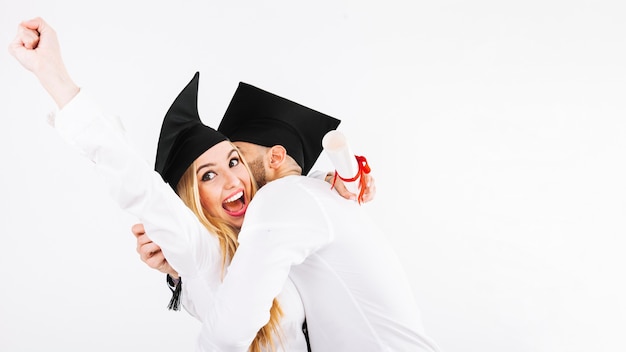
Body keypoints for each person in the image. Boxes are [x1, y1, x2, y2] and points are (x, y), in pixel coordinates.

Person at [8, 17, 366, 352]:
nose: (231, 180)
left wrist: (328, 182)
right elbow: (137, 181)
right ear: (189, 200)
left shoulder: (264, 243)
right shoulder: (200, 249)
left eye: (234, 161)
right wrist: (53, 75)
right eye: (207, 175)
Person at [136, 64, 442, 351]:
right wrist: (181, 267)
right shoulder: (311, 199)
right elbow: (266, 309)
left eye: (236, 157)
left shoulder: (280, 199)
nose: (236, 174)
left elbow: (228, 331)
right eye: (212, 172)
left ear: (276, 157)